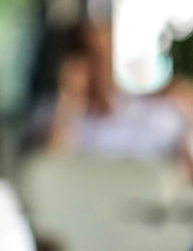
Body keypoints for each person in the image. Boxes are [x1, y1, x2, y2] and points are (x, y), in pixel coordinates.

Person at [37, 19, 192, 175]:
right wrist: (70, 97)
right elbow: (51, 172)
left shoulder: (149, 113)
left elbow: (185, 169)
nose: (103, 66)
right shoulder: (55, 115)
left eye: (108, 54)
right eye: (94, 56)